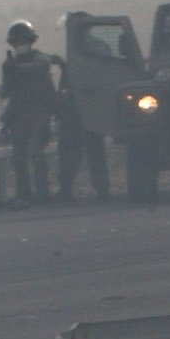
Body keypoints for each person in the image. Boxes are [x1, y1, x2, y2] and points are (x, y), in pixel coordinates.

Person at [57, 11, 133, 202]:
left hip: (87, 109)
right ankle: (90, 190)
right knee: (80, 153)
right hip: (81, 109)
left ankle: (98, 190)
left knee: (88, 153)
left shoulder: (91, 50)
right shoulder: (88, 50)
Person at [0, 20, 62, 203]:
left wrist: (15, 69)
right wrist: (9, 74)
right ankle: (23, 194)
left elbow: (41, 66)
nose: (20, 46)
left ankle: (42, 194)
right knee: (18, 159)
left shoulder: (40, 59)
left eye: (23, 41)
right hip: (20, 115)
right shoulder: (11, 65)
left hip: (40, 114)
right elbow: (5, 93)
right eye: (17, 43)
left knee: (36, 153)